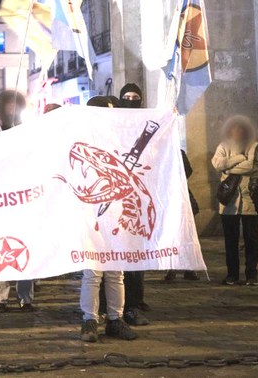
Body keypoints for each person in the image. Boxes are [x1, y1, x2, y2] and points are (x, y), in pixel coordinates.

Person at [79, 96, 136, 342]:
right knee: (93, 272)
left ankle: (115, 319)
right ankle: (89, 320)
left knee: (115, 272)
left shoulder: (119, 141)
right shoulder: (82, 143)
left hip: (116, 216)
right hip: (91, 216)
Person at [0, 90, 35, 313]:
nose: (12, 109)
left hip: (23, 199)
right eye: (9, 105)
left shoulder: (26, 132)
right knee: (1, 247)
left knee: (25, 247)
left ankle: (25, 297)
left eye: (16, 105)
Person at [116, 83, 149, 326]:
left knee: (135, 261)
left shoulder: (146, 123)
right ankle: (116, 307)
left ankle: (134, 303)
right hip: (116, 205)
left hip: (135, 203)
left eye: (135, 98)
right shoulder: (113, 126)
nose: (130, 101)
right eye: (126, 97)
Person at [211, 115, 258, 286]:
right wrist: (240, 159)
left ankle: (251, 274)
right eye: (234, 128)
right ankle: (232, 274)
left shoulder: (254, 146)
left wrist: (229, 166)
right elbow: (217, 165)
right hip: (229, 201)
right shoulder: (223, 146)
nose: (237, 131)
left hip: (250, 199)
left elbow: (252, 166)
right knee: (230, 240)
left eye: (241, 128)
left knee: (251, 239)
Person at [165, 150, 200, 282]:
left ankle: (185, 268)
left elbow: (187, 170)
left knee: (185, 234)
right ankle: (176, 268)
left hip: (180, 197)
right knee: (174, 235)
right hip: (170, 197)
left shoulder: (177, 151)